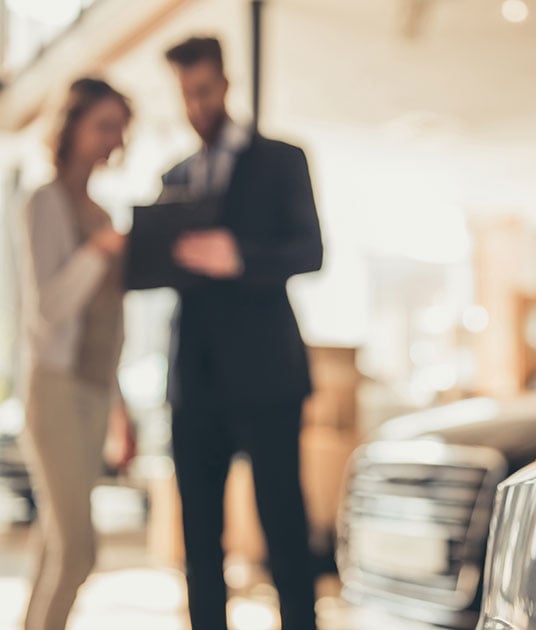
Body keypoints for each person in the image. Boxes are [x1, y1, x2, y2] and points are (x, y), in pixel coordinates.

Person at [161, 37, 323, 630]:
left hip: (268, 378)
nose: (196, 105)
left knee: (283, 528)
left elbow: (312, 250)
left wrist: (240, 258)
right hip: (194, 384)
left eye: (203, 90)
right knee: (199, 541)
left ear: (225, 86)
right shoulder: (173, 176)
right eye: (185, 95)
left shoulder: (283, 159)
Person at [19, 77, 131, 630]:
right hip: (55, 387)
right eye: (102, 126)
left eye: (119, 128)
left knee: (53, 548)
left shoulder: (101, 211)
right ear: (72, 128)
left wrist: (119, 405)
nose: (113, 139)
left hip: (92, 389)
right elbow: (50, 306)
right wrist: (97, 251)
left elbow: (108, 325)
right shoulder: (45, 201)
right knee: (79, 552)